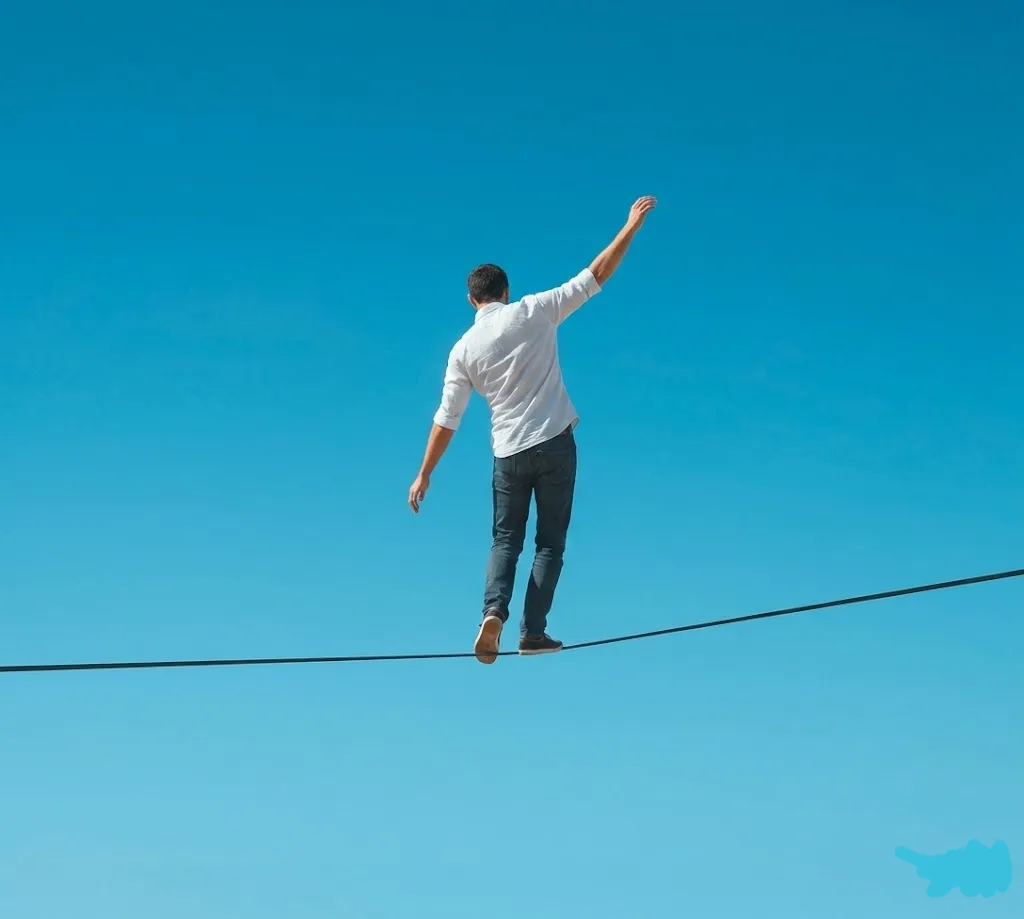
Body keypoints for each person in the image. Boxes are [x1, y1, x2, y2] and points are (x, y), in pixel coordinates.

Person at [408, 196, 657, 664]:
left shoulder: (462, 351)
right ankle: (533, 632)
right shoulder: (533, 310)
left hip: (508, 455)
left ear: (471, 300)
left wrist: (425, 473)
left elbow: (447, 418)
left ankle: (492, 613)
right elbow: (596, 275)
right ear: (506, 290)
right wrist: (630, 226)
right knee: (550, 542)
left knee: (505, 541)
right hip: (555, 444)